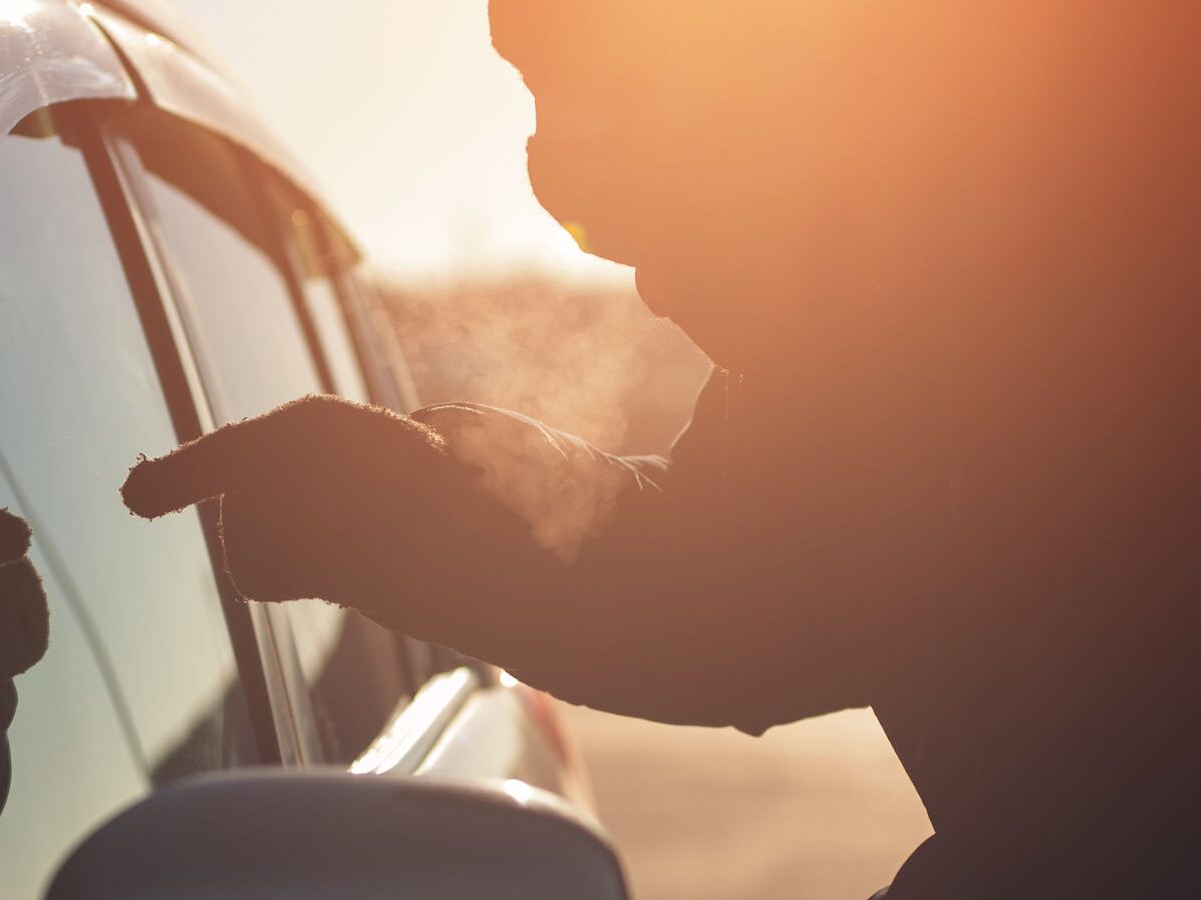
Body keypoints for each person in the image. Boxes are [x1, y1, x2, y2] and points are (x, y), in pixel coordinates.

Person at [123, 2, 1201, 896]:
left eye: (679, 231)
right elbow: (741, 581)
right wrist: (407, 508)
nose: (650, 288)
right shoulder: (886, 339)